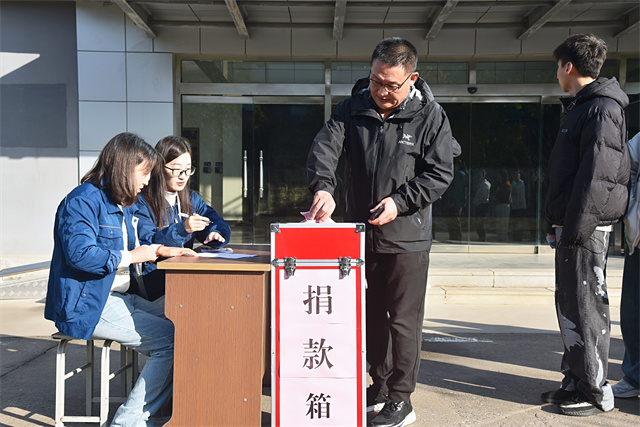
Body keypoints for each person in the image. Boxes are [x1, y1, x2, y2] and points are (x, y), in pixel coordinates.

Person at [306, 37, 459, 427]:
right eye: (376, 80)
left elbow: (440, 174)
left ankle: (402, 399)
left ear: (412, 79)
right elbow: (325, 148)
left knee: (403, 320)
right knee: (370, 316)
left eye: (391, 84)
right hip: (360, 236)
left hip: (407, 238)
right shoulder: (353, 108)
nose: (381, 91)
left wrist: (399, 202)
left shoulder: (431, 117)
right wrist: (324, 187)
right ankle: (380, 384)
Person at [44, 132, 194, 426]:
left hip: (117, 297)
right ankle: (128, 422)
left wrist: (159, 250)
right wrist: (131, 257)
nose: (148, 181)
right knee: (172, 340)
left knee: (188, 324)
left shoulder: (118, 202)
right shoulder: (82, 201)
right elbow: (80, 255)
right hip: (87, 304)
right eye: (144, 173)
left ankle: (168, 410)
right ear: (125, 167)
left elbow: (133, 247)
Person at [542, 33, 630, 417]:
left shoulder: (601, 109)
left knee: (586, 306)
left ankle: (594, 390)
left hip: (585, 229)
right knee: (572, 306)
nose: (557, 73)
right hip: (574, 226)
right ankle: (576, 379)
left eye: (557, 67)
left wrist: (576, 229)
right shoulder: (584, 107)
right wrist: (556, 223)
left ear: (568, 66)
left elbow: (598, 177)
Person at [136, 135, 231, 301]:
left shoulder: (191, 199)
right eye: (176, 169)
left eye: (188, 170)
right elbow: (148, 243)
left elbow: (215, 221)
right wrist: (183, 229)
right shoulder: (142, 200)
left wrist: (214, 232)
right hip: (154, 282)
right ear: (159, 167)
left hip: (185, 276)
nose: (183, 176)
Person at [614, 132, 640, 399]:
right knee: (633, 312)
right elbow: (625, 167)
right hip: (639, 241)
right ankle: (634, 376)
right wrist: (632, 210)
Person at [492, 169, 511, 242]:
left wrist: (497, 197)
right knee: (499, 224)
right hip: (499, 205)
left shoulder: (506, 185)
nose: (498, 177)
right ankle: (500, 238)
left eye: (499, 175)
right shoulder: (498, 185)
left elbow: (504, 196)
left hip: (504, 205)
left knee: (504, 224)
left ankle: (504, 239)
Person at [472, 169, 491, 242]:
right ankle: (480, 236)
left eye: (480, 174)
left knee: (481, 222)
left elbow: (484, 196)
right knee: (477, 222)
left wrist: (478, 202)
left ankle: (483, 237)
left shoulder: (485, 184)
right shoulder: (480, 184)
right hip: (478, 205)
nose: (478, 176)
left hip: (483, 205)